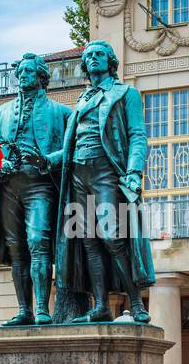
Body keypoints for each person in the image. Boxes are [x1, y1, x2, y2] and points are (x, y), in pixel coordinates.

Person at [54, 39, 155, 323]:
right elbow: (69, 146)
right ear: (84, 65)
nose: (93, 58)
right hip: (77, 175)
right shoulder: (81, 100)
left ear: (110, 62)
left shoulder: (125, 93)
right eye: (89, 56)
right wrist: (46, 160)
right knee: (88, 240)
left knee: (112, 236)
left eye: (99, 54)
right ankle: (100, 305)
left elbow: (137, 135)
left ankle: (136, 302)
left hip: (106, 172)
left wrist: (134, 172)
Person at [0, 52, 70, 325]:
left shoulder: (61, 112)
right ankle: (24, 310)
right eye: (20, 73)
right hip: (7, 186)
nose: (22, 77)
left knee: (38, 241)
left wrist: (47, 160)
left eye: (29, 72)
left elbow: (72, 149)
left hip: (40, 185)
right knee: (16, 248)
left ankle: (42, 308)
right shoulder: (1, 112)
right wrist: (0, 160)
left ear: (42, 77)